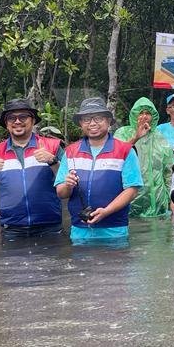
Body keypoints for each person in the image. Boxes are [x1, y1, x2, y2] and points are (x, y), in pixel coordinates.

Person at [56, 98, 143, 243]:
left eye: (98, 118)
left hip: (115, 231)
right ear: (81, 123)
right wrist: (68, 185)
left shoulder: (125, 150)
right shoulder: (70, 152)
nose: (92, 123)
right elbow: (61, 193)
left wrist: (106, 211)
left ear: (108, 121)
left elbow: (132, 190)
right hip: (79, 232)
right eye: (87, 119)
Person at [0, 98, 64, 238]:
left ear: (33, 120)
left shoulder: (53, 146)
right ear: (6, 124)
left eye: (23, 117)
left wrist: (53, 161)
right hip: (12, 228)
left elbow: (69, 183)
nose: (17, 121)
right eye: (11, 118)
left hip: (50, 226)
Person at [114, 96, 174, 218]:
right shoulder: (123, 133)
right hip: (129, 202)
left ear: (153, 116)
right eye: (140, 113)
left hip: (158, 203)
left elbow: (168, 171)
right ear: (134, 115)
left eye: (148, 113)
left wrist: (171, 199)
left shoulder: (159, 138)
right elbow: (115, 156)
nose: (144, 116)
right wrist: (136, 137)